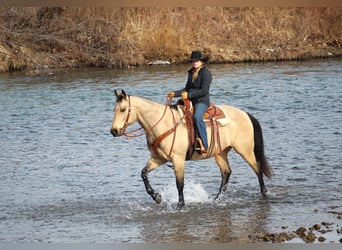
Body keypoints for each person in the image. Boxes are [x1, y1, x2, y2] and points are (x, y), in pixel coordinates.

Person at [168, 50, 212, 153]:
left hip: (201, 101)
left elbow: (204, 90)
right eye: (193, 61)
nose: (194, 63)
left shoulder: (206, 73)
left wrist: (189, 95)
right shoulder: (191, 72)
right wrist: (175, 93)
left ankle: (205, 145)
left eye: (197, 61)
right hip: (190, 101)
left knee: (197, 117)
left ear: (201, 61)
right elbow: (187, 89)